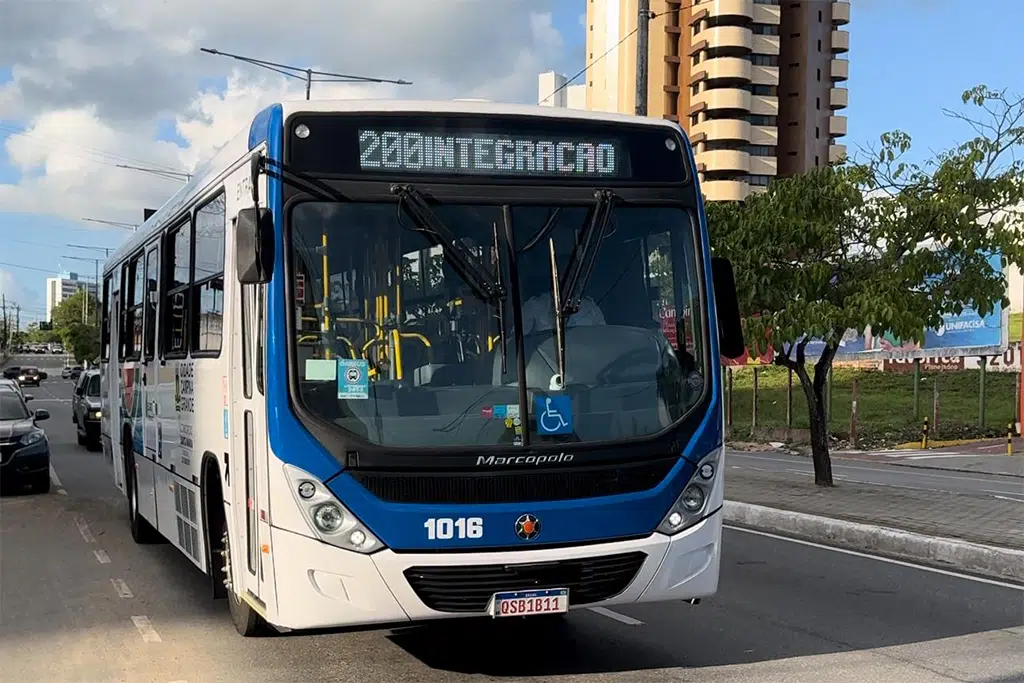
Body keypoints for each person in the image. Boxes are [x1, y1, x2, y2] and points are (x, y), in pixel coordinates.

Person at [520, 291, 605, 335]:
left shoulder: (591, 307)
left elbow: (605, 338)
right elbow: (516, 343)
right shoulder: (534, 307)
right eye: (569, 275)